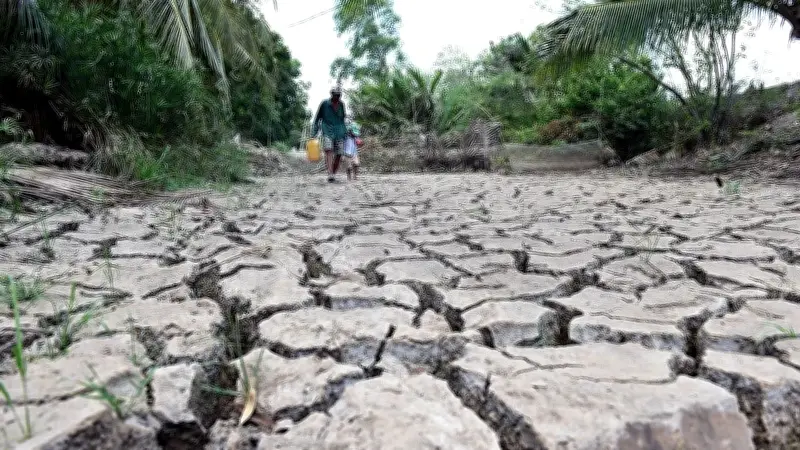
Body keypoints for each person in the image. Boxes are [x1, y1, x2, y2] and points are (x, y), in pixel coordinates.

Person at [311, 87, 347, 183]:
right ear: (332, 94)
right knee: (328, 150)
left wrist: (345, 131)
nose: (338, 97)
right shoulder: (324, 104)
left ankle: (333, 173)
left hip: (339, 131)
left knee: (339, 153)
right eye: (336, 95)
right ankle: (330, 173)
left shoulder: (341, 104)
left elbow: (343, 119)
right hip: (327, 129)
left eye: (339, 95)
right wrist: (314, 132)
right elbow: (317, 118)